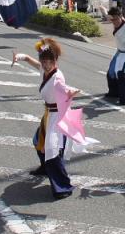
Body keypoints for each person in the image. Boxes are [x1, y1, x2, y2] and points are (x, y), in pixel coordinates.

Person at [11, 38, 86, 200]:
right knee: (38, 140)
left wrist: (71, 92)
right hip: (48, 114)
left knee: (52, 150)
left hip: (57, 116)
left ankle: (63, 186)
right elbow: (35, 63)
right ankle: (45, 168)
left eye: (49, 61)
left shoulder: (57, 77)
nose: (45, 64)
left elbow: (63, 88)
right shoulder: (45, 70)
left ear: (55, 61)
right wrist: (21, 57)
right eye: (43, 61)